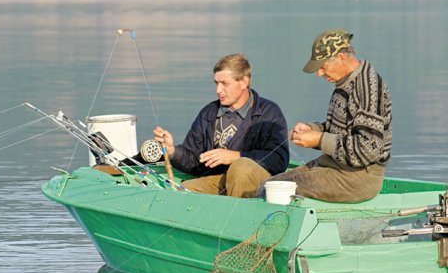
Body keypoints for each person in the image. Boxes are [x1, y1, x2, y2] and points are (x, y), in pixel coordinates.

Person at [263, 29, 392, 203]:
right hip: (334, 165)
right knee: (269, 185)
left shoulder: (367, 89)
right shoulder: (346, 81)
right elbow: (343, 130)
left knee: (275, 192)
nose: (320, 73)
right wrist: (312, 129)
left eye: (323, 67)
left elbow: (367, 150)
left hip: (358, 177)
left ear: (341, 57)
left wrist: (318, 140)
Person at [153, 53, 289, 198]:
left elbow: (279, 159)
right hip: (220, 180)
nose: (218, 90)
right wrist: (173, 151)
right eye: (216, 83)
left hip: (258, 181)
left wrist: (236, 156)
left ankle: (237, 218)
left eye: (224, 83)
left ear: (243, 81)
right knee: (181, 191)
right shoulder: (209, 113)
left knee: (240, 168)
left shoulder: (269, 112)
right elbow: (193, 160)